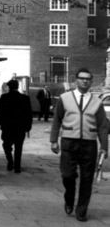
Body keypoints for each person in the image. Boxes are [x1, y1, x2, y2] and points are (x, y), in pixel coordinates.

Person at [50, 68, 108, 222]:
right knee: (67, 175)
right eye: (82, 78)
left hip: (89, 144)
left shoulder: (97, 102)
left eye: (88, 79)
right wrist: (53, 140)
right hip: (69, 141)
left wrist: (104, 147)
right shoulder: (65, 98)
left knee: (87, 179)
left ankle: (81, 210)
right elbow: (57, 119)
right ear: (76, 80)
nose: (85, 81)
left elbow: (103, 126)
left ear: (91, 82)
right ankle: (69, 197)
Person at [0, 79, 32, 173]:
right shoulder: (25, 98)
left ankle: (10, 161)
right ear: (17, 87)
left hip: (7, 127)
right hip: (20, 127)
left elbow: (0, 112)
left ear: (9, 87)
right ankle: (17, 167)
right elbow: (29, 114)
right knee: (18, 148)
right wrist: (28, 126)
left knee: (6, 145)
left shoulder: (4, 97)